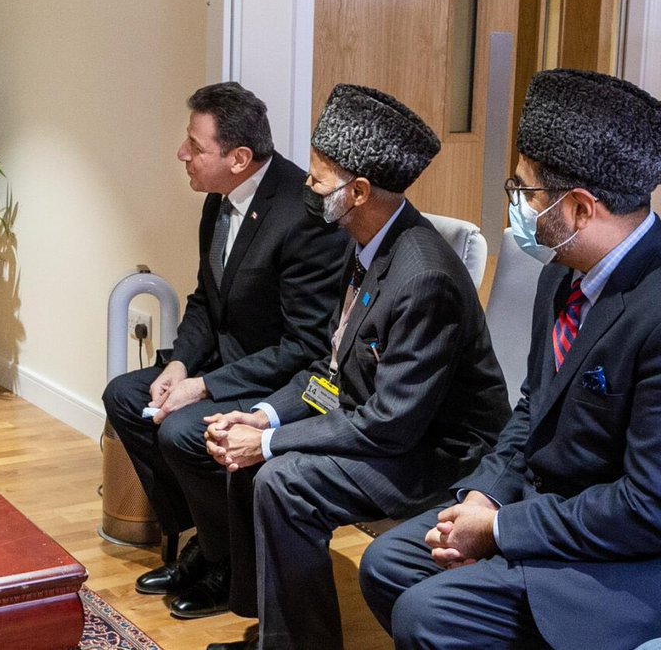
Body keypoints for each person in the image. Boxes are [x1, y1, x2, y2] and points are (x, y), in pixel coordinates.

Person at [202, 84, 511, 650]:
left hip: (437, 453)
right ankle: (272, 634)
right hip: (383, 426)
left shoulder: (424, 278)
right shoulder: (363, 243)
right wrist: (264, 417)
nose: (307, 188)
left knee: (284, 479)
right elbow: (330, 370)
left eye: (318, 180)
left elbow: (391, 422)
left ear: (359, 191)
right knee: (253, 458)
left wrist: (270, 445)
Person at [359, 70, 661, 650]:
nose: (516, 205)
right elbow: (533, 406)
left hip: (618, 560)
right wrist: (486, 494)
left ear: (577, 209)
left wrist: (500, 530)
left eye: (524, 191)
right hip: (542, 507)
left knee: (429, 614)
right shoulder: (561, 274)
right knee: (388, 563)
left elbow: (645, 507)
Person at [102, 82, 347, 619]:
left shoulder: (304, 217)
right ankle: (206, 544)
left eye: (195, 145)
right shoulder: (220, 198)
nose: (182, 154)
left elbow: (307, 346)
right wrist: (178, 365)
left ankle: (230, 566)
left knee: (182, 429)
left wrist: (205, 386)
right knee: (125, 396)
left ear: (238, 158)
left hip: (284, 378)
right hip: (226, 360)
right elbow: (204, 300)